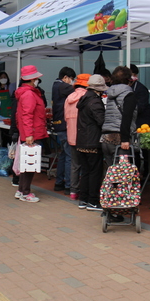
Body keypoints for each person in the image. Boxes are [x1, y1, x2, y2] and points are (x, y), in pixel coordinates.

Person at [14, 66, 48, 203]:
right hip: (33, 133)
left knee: (26, 163)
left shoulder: (27, 93)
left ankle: (21, 190)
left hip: (31, 132)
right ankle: (25, 192)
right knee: (30, 164)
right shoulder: (29, 94)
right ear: (32, 79)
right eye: (36, 78)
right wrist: (29, 134)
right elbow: (27, 115)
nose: (38, 80)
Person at [75, 74, 108, 211]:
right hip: (93, 141)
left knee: (86, 171)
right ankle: (93, 201)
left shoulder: (84, 99)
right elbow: (101, 121)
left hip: (82, 140)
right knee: (95, 172)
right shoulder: (95, 101)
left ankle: (83, 199)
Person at [101, 66, 137, 170]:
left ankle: (109, 187)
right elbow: (126, 117)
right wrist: (125, 139)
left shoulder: (110, 94)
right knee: (121, 173)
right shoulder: (129, 95)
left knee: (110, 172)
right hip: (119, 138)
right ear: (128, 79)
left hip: (105, 137)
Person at [64, 74, 90, 204]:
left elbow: (65, 118)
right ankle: (85, 192)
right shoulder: (87, 98)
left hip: (71, 136)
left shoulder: (68, 98)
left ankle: (73, 191)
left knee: (74, 165)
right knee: (86, 166)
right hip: (84, 137)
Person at [51, 66, 76, 194]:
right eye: (71, 79)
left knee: (63, 154)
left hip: (58, 124)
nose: (71, 82)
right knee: (69, 156)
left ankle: (59, 182)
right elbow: (77, 91)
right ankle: (68, 184)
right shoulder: (62, 86)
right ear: (65, 77)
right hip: (64, 125)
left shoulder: (55, 86)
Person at [130, 64, 150, 128]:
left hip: (143, 123)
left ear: (135, 75)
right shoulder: (124, 87)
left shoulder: (141, 89)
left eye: (130, 74)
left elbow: (140, 107)